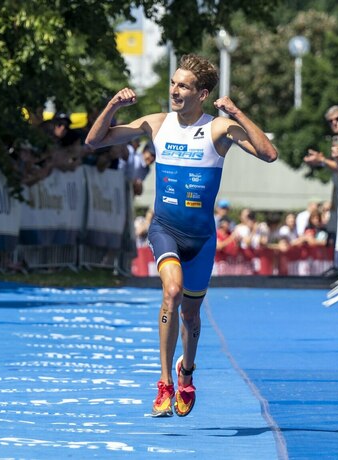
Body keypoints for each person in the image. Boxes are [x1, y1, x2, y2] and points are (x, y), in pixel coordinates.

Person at [85, 54, 277, 418]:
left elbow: (269, 153)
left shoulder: (219, 129)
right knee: (170, 292)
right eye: (173, 83)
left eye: (183, 86)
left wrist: (236, 113)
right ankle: (163, 384)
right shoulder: (157, 124)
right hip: (165, 229)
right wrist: (113, 105)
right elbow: (94, 142)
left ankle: (186, 372)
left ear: (201, 93)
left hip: (201, 238)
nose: (174, 90)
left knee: (191, 316)